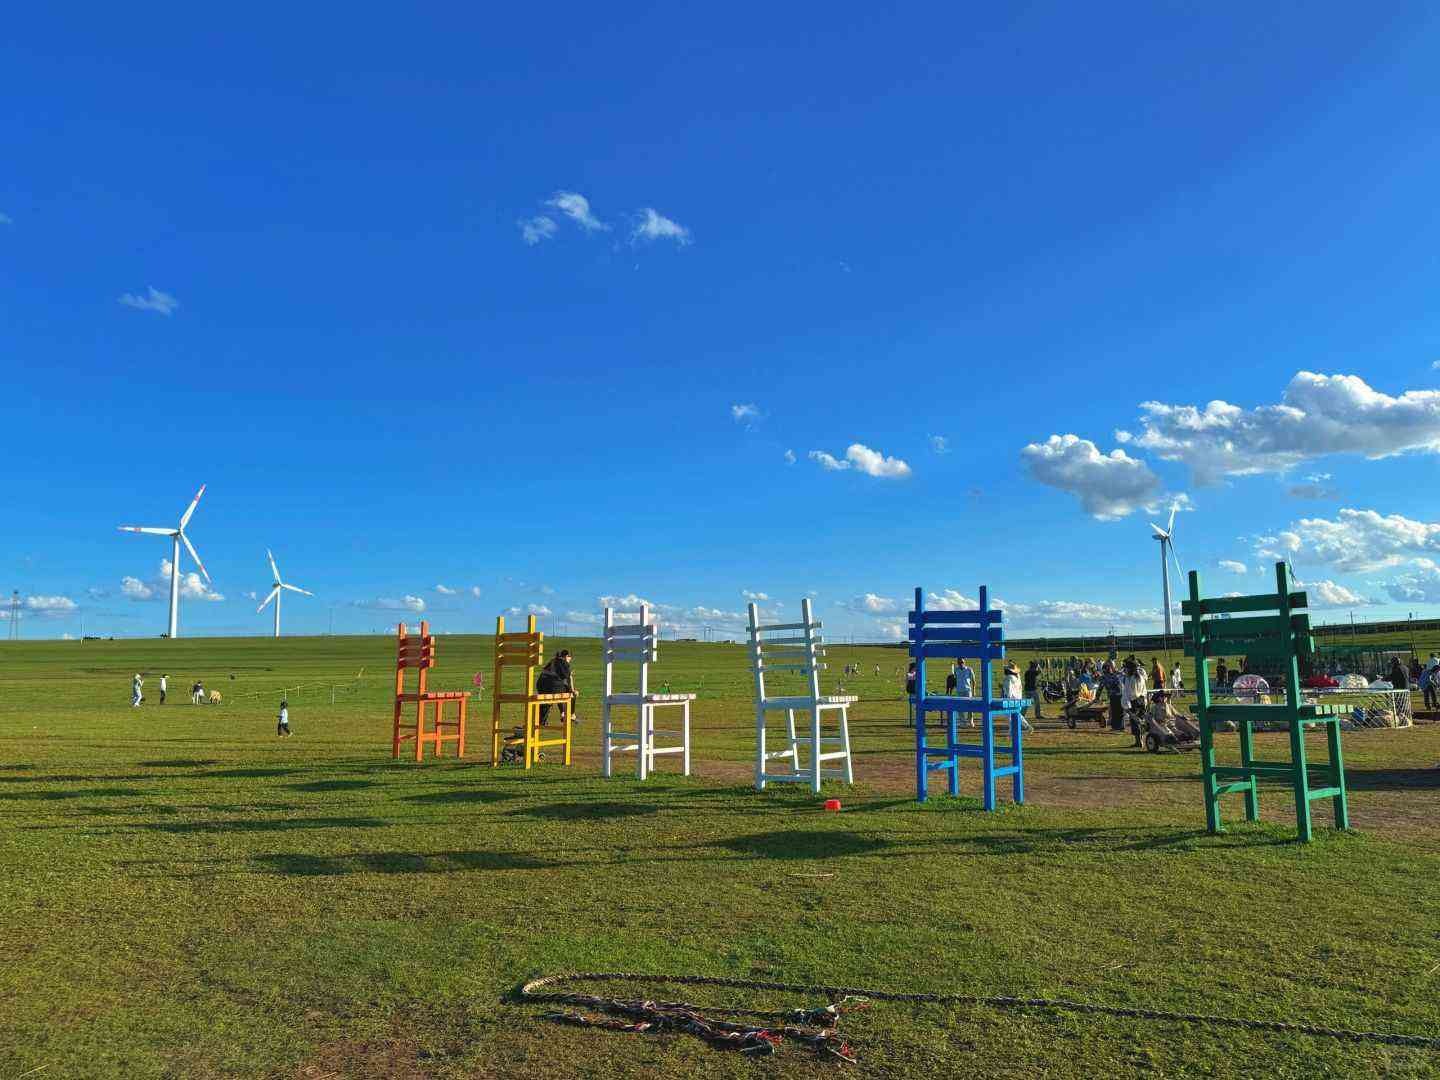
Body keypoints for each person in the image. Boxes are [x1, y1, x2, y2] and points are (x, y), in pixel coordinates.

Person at [535, 649, 577, 726]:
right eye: (570, 657)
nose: (570, 659)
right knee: (571, 693)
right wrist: (573, 691)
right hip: (552, 687)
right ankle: (571, 714)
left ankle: (541, 721)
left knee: (548, 701)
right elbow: (567, 678)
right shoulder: (564, 663)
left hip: (540, 686)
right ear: (566, 656)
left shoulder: (552, 661)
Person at [1122, 656, 1148, 747]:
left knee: (1135, 721)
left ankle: (1139, 741)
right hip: (1142, 700)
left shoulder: (1130, 679)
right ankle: (1141, 740)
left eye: (1126, 668)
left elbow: (1128, 693)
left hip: (1134, 701)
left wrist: (1126, 705)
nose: (1125, 670)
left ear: (1129, 669)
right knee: (1140, 719)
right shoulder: (1140, 676)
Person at [1004, 661, 1032, 732]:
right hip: (1018, 699)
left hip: (1011, 699)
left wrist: (1007, 698)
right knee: (1017, 714)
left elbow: (1009, 690)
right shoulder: (1018, 677)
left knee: (1009, 714)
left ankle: (1012, 729)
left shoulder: (1008, 678)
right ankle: (1027, 726)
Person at [1101, 660, 1124, 732]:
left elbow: (1100, 687)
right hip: (1119, 695)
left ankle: (1116, 727)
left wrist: (1097, 697)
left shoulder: (1105, 677)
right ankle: (1120, 726)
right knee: (1119, 711)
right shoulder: (1115, 676)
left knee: (1115, 711)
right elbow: (1119, 686)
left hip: (1115, 695)